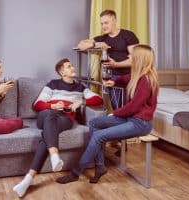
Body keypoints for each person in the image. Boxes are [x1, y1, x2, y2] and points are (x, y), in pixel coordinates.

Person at [56, 44, 159, 184]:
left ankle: (76, 172)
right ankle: (100, 166)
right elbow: (124, 79)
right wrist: (114, 81)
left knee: (98, 136)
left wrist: (115, 113)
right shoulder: (138, 75)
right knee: (94, 123)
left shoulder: (146, 80)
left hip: (140, 123)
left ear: (139, 59)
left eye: (132, 56)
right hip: (131, 119)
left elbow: (135, 106)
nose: (129, 57)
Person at [12, 58, 103, 197]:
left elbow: (99, 99)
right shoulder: (53, 84)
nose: (73, 68)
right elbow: (37, 104)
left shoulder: (81, 88)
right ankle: (54, 155)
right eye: (69, 66)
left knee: (46, 137)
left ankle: (28, 179)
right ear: (62, 72)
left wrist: (81, 101)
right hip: (46, 114)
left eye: (72, 66)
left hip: (65, 119)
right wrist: (51, 105)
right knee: (50, 115)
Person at [78, 9, 139, 110]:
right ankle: (120, 123)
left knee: (131, 107)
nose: (103, 26)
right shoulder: (103, 38)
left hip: (131, 77)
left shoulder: (128, 35)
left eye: (106, 23)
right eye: (101, 24)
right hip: (113, 77)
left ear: (114, 20)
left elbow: (136, 60)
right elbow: (81, 45)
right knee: (118, 108)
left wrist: (116, 64)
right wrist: (96, 44)